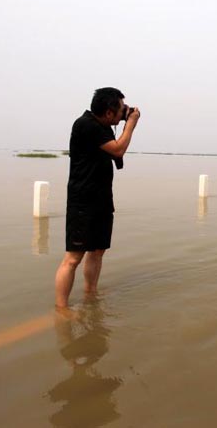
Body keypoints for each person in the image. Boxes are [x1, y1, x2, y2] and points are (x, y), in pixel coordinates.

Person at [54, 87, 140, 310]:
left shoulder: (103, 126)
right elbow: (118, 150)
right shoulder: (86, 125)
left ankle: (90, 293)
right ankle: (61, 309)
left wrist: (124, 120)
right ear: (109, 112)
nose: (124, 112)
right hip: (82, 200)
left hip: (101, 197)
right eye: (121, 109)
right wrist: (131, 123)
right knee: (73, 257)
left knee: (98, 250)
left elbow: (114, 154)